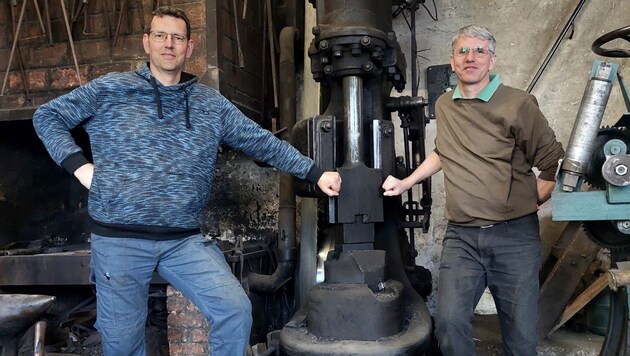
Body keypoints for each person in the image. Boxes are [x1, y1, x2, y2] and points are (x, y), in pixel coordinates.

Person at [33, 6, 341, 356]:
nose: (169, 44)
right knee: (122, 345)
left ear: (188, 48)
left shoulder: (210, 104)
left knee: (235, 310)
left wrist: (316, 173)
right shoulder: (112, 89)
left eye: (178, 37)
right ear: (146, 43)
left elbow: (263, 142)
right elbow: (48, 116)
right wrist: (80, 167)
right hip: (119, 240)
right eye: (161, 36)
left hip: (183, 241)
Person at [382, 25, 564, 355]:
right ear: (452, 62)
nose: (471, 57)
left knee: (521, 338)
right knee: (449, 326)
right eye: (463, 51)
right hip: (462, 238)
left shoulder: (518, 104)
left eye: (480, 51)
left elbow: (554, 162)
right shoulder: (445, 105)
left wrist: (533, 197)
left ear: (492, 60)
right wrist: (407, 181)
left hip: (514, 239)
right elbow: (443, 151)